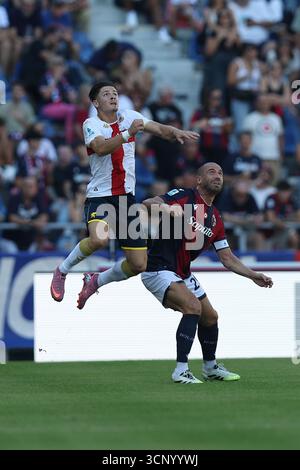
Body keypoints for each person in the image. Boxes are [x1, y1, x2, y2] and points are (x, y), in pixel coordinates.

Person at [50, 80, 199, 305]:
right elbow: (100, 147)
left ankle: (96, 281)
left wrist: (175, 132)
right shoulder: (91, 123)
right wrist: (128, 133)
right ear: (95, 102)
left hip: (125, 201)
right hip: (100, 196)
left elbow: (158, 129)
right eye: (107, 94)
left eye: (115, 93)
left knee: (139, 264)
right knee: (99, 239)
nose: (113, 96)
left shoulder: (129, 116)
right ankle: (62, 270)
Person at [140, 162, 272, 383]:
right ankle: (180, 370)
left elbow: (227, 258)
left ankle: (210, 367)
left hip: (181, 272)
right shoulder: (184, 196)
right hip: (158, 267)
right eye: (212, 172)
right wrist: (167, 208)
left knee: (210, 317)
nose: (218, 175)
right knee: (193, 307)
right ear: (199, 179)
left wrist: (253, 275)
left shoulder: (215, 218)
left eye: (220, 172)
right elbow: (148, 202)